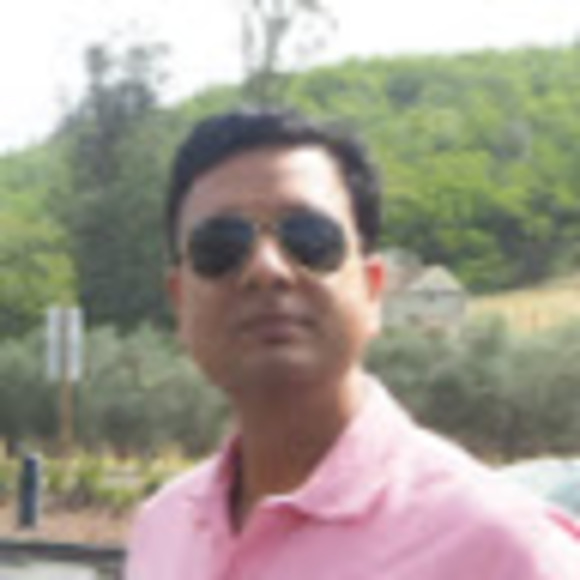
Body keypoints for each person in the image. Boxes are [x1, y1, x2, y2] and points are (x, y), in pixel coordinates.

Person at [124, 107, 580, 579]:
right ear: (180, 301)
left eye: (309, 237)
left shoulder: (501, 547)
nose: (266, 269)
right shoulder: (164, 528)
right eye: (220, 246)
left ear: (373, 289)